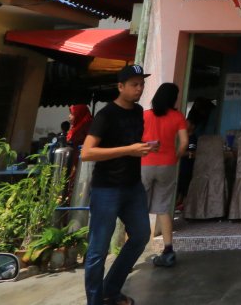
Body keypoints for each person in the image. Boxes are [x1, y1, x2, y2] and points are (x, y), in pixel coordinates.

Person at [82, 65, 153, 305]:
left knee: (141, 235)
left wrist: (144, 147)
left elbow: (131, 144)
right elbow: (87, 152)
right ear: (120, 87)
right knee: (98, 250)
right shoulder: (106, 115)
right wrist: (129, 150)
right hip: (107, 188)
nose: (139, 89)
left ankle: (110, 290)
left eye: (141, 84)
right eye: (134, 84)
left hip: (132, 186)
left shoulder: (139, 111)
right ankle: (94, 300)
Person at [141, 82, 188, 268]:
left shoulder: (145, 116)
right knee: (163, 207)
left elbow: (136, 139)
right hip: (167, 164)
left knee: (138, 207)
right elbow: (184, 143)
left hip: (145, 163)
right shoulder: (177, 117)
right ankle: (168, 250)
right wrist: (175, 156)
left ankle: (131, 251)